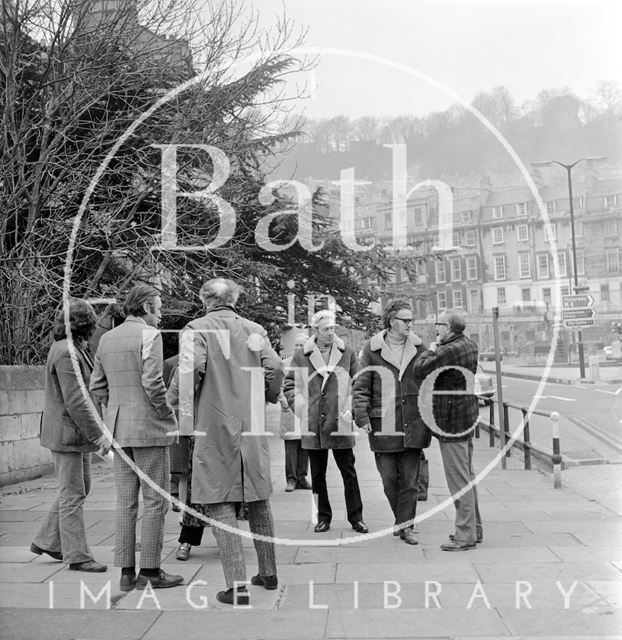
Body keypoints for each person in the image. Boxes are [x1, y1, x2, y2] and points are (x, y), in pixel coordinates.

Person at [167, 278, 284, 606]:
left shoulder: (197, 329)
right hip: (252, 423)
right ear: (233, 300)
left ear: (205, 300)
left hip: (215, 423)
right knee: (258, 497)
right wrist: (265, 396)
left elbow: (191, 370)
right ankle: (268, 573)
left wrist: (176, 405)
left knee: (219, 501)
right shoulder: (254, 328)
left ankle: (236, 587)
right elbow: (274, 366)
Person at [90, 285, 183, 590]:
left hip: (119, 429)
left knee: (125, 501)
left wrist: (114, 412)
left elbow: (97, 387)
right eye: (158, 307)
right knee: (155, 500)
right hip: (148, 429)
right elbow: (153, 382)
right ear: (144, 307)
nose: (161, 314)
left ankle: (127, 574)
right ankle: (152, 572)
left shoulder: (107, 338)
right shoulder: (149, 336)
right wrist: (167, 414)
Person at [31, 300, 107, 572]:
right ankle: (77, 556)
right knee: (73, 494)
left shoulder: (72, 348)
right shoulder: (66, 353)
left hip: (70, 434)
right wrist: (99, 435)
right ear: (85, 323)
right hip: (67, 434)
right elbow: (76, 401)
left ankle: (47, 540)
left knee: (79, 488)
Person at [352, 299, 431, 545]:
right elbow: (362, 384)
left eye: (411, 320)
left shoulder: (419, 347)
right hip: (383, 422)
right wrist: (361, 415)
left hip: (413, 421)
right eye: (405, 320)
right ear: (391, 321)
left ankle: (405, 525)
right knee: (388, 479)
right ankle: (402, 519)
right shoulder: (372, 349)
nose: (410, 324)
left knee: (410, 480)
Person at [283, 309, 367, 534]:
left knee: (348, 471)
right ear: (315, 331)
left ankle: (356, 517)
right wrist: (302, 408)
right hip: (314, 423)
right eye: (325, 329)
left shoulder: (346, 352)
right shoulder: (302, 355)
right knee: (318, 475)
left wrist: (350, 407)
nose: (330, 333)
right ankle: (323, 517)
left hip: (340, 421)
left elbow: (358, 383)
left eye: (332, 329)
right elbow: (290, 386)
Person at [413, 309, 483, 551]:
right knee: (468, 476)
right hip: (466, 417)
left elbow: (419, 370)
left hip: (451, 421)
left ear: (450, 328)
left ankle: (465, 536)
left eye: (439, 325)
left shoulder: (447, 349)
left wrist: (431, 348)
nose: (436, 329)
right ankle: (475, 529)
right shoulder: (470, 345)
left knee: (458, 480)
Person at [280, 332, 311, 492]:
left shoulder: (310, 362)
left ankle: (302, 477)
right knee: (291, 445)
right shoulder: (285, 363)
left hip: (306, 408)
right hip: (290, 408)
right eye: (296, 345)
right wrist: (283, 400)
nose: (299, 348)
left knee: (305, 444)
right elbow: (278, 383)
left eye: (302, 345)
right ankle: (291, 479)